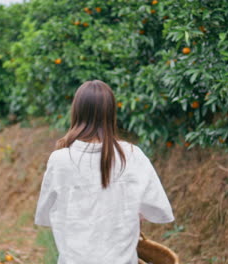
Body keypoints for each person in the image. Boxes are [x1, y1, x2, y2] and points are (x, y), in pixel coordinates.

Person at [34, 80, 175, 264]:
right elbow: (160, 211)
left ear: (77, 112)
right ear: (111, 114)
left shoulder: (59, 160)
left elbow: (45, 215)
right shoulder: (133, 156)